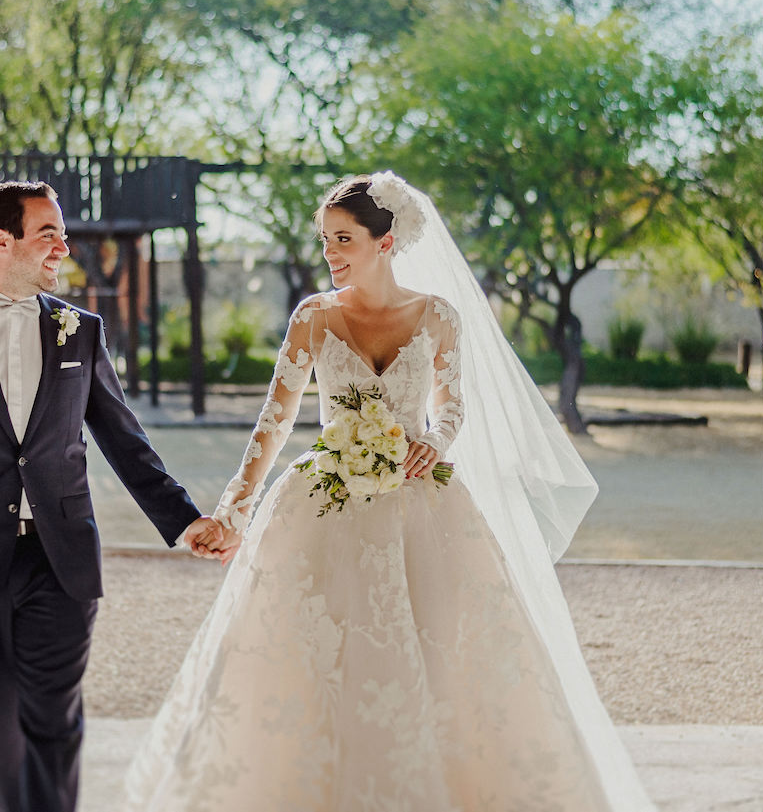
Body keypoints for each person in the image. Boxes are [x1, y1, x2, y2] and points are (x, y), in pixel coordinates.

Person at [124, 172, 654, 811]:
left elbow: (453, 405)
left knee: (443, 654)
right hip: (324, 501)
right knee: (312, 655)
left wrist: (437, 438)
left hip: (418, 499)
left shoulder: (437, 316)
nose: (330, 253)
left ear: (387, 240)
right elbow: (276, 418)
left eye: (343, 238)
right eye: (325, 240)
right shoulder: (314, 316)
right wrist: (236, 509)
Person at [0, 180, 226, 812]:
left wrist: (184, 521)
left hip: (62, 555)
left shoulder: (80, 331)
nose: (63, 247)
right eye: (49, 234)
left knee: (54, 727)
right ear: (1, 241)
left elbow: (126, 442)